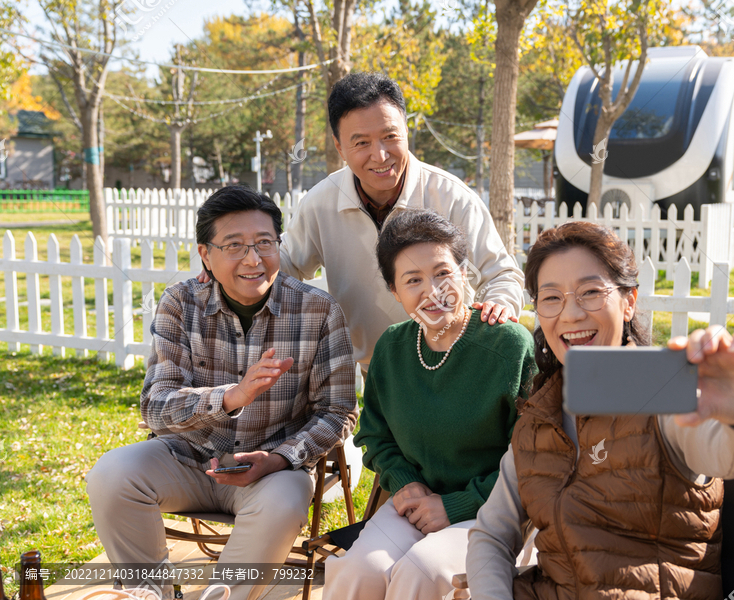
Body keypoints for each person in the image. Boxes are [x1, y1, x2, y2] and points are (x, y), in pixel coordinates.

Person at [466, 222, 734, 599]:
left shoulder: (658, 388)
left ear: (629, 301)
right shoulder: (540, 414)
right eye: (551, 298)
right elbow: (491, 534)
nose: (570, 315)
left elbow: (731, 457)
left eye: (590, 292)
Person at [87, 185, 358, 600]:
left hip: (270, 469)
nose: (253, 259)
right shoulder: (180, 303)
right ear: (205, 255)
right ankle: (153, 591)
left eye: (264, 243)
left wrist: (279, 459)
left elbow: (337, 411)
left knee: (284, 502)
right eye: (234, 245)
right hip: (188, 458)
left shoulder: (318, 310)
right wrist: (230, 397)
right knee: (111, 474)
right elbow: (155, 405)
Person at [322, 209, 536, 600]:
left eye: (442, 273)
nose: (432, 291)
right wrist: (406, 486)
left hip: (493, 511)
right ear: (393, 290)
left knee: (422, 572)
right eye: (413, 280)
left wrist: (456, 506)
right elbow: (374, 433)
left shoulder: (508, 346)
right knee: (357, 570)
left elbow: (532, 456)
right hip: (416, 504)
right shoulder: (392, 346)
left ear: (464, 273)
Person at [279, 72, 524, 370]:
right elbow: (283, 265)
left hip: (458, 365)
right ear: (339, 147)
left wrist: (499, 306)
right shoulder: (320, 203)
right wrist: (223, 272)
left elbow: (501, 274)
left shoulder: (451, 196)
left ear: (406, 130)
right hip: (378, 375)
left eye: (390, 136)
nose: (380, 155)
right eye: (361, 143)